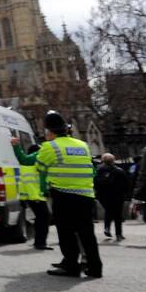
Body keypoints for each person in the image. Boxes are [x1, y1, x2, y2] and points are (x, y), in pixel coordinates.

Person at [37, 110, 102, 279]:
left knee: (66, 233)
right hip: (86, 195)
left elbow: (41, 169)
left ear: (49, 131)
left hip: (64, 195)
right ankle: (95, 268)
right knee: (87, 233)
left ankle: (71, 265)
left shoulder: (49, 146)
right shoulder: (83, 145)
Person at [11, 135, 52, 250]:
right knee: (43, 218)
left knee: (41, 218)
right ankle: (40, 242)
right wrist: (16, 146)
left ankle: (39, 242)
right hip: (36, 196)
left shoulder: (27, 167)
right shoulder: (36, 157)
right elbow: (23, 158)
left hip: (31, 196)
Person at [94, 153, 131, 241]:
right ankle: (119, 234)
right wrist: (125, 194)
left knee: (109, 211)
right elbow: (126, 184)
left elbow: (95, 183)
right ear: (113, 161)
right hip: (118, 196)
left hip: (104, 196)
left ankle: (107, 228)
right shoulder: (120, 171)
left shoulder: (99, 170)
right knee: (117, 214)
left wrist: (98, 193)